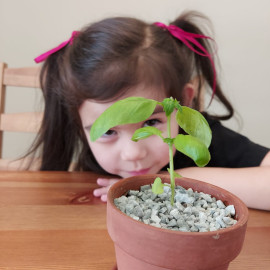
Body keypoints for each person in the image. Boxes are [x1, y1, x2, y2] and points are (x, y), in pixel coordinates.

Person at [29, 11, 270, 210]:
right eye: (109, 131)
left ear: (182, 102)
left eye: (150, 123)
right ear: (79, 122)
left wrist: (172, 180)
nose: (133, 153)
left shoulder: (200, 135)